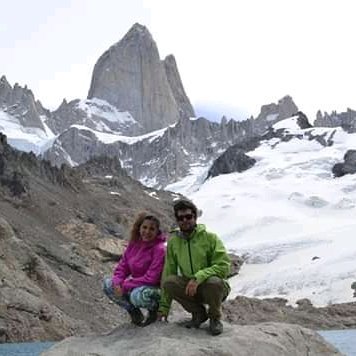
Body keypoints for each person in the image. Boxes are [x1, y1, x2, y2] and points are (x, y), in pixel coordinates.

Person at [158, 199, 231, 336]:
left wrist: (199, 277)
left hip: (212, 288)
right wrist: (164, 308)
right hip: (191, 289)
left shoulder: (210, 238)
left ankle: (215, 318)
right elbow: (169, 271)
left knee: (213, 282)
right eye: (180, 218)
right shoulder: (174, 242)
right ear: (177, 220)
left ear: (195, 217)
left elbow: (224, 266)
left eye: (188, 216)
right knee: (169, 282)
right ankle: (199, 314)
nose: (185, 220)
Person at [103, 213, 166, 326]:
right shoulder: (134, 244)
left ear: (157, 232)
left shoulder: (159, 249)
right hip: (138, 284)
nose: (147, 232)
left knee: (137, 296)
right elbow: (123, 267)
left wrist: (125, 285)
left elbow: (151, 278)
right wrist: (117, 282)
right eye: (144, 227)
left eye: (152, 229)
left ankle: (154, 311)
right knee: (108, 284)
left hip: (155, 288)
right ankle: (134, 313)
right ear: (139, 228)